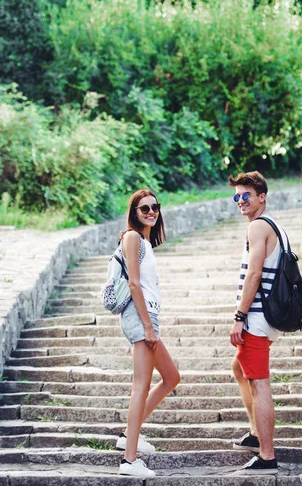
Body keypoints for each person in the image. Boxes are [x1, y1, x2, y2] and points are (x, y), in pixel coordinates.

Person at [115, 189, 180, 479]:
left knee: (171, 377)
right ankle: (130, 460)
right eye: (144, 208)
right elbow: (134, 285)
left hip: (147, 317)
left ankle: (131, 433)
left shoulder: (143, 242)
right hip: (140, 318)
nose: (151, 212)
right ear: (134, 212)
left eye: (155, 207)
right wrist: (148, 327)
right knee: (141, 384)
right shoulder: (131, 237)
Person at [229, 170, 286, 475]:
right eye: (237, 196)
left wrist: (240, 316)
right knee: (240, 368)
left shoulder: (258, 228)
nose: (240, 201)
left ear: (261, 197)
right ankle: (255, 431)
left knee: (258, 380)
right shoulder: (273, 225)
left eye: (246, 195)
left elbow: (254, 275)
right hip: (268, 315)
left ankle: (266, 455)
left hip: (258, 315)